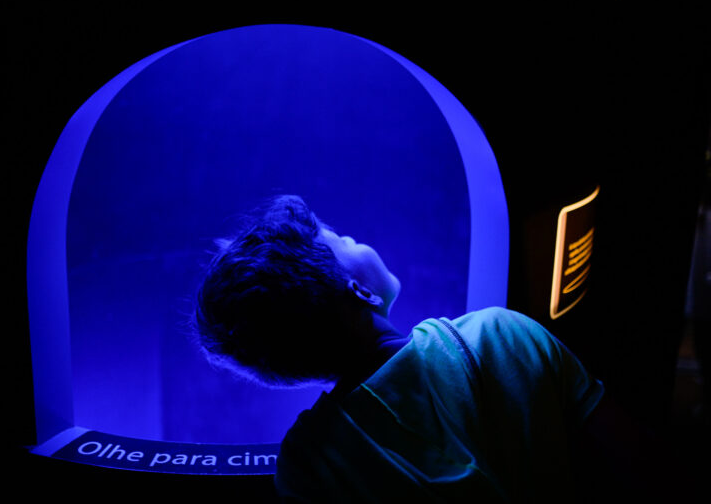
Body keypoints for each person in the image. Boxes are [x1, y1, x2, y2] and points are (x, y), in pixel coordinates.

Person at [194, 195, 605, 502]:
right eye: (342, 240)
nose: (352, 238)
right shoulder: (500, 334)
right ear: (360, 290)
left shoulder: (307, 466)